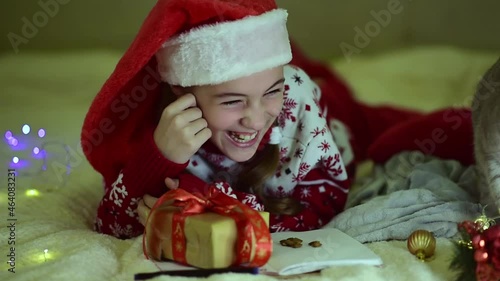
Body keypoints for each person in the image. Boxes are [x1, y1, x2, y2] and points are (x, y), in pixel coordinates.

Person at [82, 0, 475, 239]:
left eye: (271, 90)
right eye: (232, 101)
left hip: (335, 113)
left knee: (430, 132)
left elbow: (324, 206)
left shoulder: (294, 97)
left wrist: (221, 209)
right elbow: (112, 226)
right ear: (183, 96)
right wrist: (158, 157)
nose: (255, 119)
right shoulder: (167, 127)